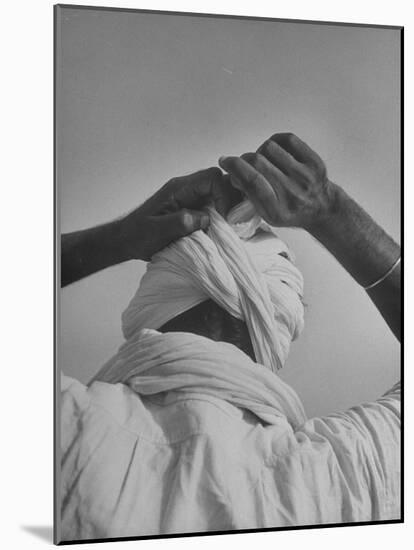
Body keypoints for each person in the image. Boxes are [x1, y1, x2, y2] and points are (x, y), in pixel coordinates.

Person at [59, 133, 400, 542]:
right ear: (283, 317)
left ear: (152, 292)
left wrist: (119, 239)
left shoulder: (67, 426)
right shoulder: (342, 479)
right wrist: (330, 210)